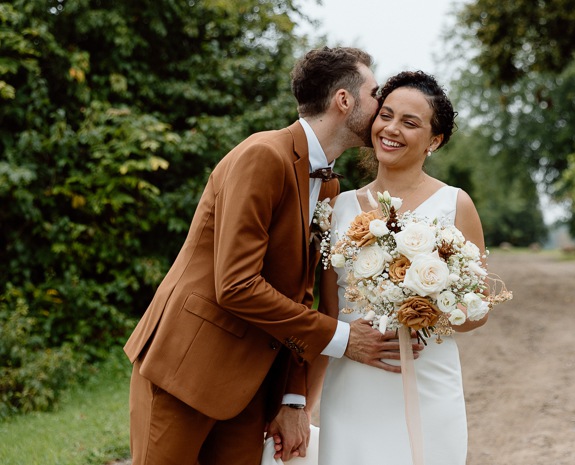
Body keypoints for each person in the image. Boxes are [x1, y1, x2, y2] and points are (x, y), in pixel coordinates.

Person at [123, 47, 420, 465]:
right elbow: (236, 286)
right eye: (375, 96)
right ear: (344, 100)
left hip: (250, 388)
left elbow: (298, 295)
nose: (381, 108)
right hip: (185, 368)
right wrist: (344, 339)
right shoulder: (263, 155)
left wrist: (294, 399)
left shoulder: (329, 187)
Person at [314, 70, 489, 465]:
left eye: (410, 122)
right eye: (386, 115)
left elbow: (478, 312)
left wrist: (431, 305)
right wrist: (299, 403)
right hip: (353, 385)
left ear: (435, 140)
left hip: (430, 382)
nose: (391, 129)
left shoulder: (455, 204)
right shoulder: (338, 206)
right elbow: (327, 314)